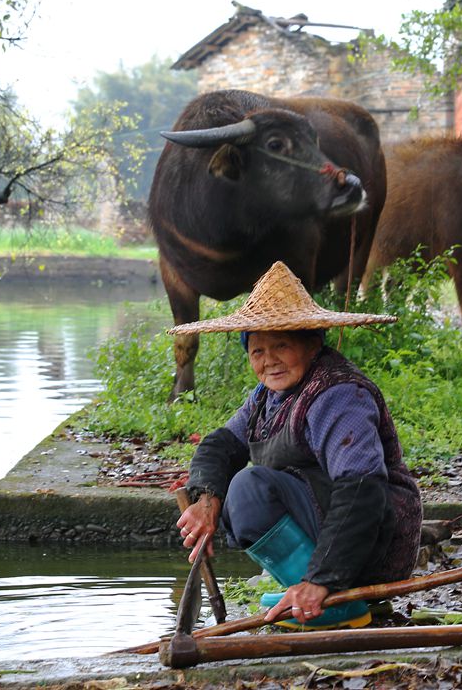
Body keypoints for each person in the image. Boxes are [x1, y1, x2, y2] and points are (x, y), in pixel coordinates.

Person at [170, 261, 423, 630]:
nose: (269, 360)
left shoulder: (338, 395)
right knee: (227, 494)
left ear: (312, 344)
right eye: (257, 351)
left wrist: (321, 579)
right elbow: (220, 446)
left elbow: (361, 492)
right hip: (336, 539)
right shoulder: (266, 397)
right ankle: (309, 589)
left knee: (248, 490)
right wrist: (205, 501)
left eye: (281, 346)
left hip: (376, 541)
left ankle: (332, 601)